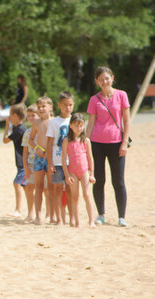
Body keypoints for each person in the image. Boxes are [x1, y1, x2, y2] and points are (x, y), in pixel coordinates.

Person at [86, 66, 131, 227]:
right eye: (101, 79)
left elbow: (126, 121)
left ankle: (121, 216)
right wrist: (86, 143)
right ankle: (101, 214)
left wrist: (124, 143)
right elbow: (90, 123)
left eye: (107, 78)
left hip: (116, 143)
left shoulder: (121, 95)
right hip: (97, 143)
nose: (104, 81)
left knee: (118, 181)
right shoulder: (94, 99)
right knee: (98, 180)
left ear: (112, 77)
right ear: (96, 81)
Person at [62, 113, 96, 228]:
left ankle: (91, 221)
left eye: (81, 125)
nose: (79, 128)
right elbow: (63, 159)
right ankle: (77, 222)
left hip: (84, 171)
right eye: (76, 125)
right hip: (72, 172)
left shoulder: (86, 141)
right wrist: (67, 175)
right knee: (75, 197)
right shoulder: (66, 141)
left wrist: (92, 174)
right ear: (70, 125)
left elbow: (90, 158)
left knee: (87, 195)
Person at [46, 91, 74, 225]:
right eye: (65, 105)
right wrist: (50, 163)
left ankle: (71, 217)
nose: (67, 108)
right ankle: (59, 218)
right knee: (57, 190)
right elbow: (50, 142)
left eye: (70, 105)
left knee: (69, 190)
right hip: (57, 162)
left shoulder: (75, 120)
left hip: (71, 161)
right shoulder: (54, 122)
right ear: (59, 105)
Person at [28, 96, 53, 225]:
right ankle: (38, 216)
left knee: (50, 187)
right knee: (38, 187)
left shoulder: (54, 122)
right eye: (39, 107)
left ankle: (51, 214)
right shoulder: (36, 123)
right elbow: (31, 139)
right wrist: (37, 148)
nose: (41, 109)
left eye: (44, 106)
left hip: (51, 158)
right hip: (38, 157)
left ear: (50, 107)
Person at [2, 104, 27, 217]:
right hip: (21, 161)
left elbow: (5, 140)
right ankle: (30, 209)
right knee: (26, 187)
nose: (9, 117)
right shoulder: (19, 128)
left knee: (16, 183)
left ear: (15, 116)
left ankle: (18, 210)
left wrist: (7, 126)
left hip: (23, 162)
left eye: (10, 115)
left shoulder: (19, 130)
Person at [21, 105, 39, 222]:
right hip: (31, 163)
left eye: (33, 115)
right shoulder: (27, 132)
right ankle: (30, 213)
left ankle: (47, 213)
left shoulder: (44, 130)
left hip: (42, 163)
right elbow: (25, 151)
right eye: (29, 116)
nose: (31, 118)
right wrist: (26, 167)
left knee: (45, 189)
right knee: (29, 188)